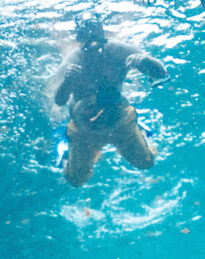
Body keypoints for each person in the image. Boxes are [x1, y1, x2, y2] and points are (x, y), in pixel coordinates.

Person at [53, 15, 165, 186]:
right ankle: (67, 151)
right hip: (84, 126)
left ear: (103, 37)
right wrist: (68, 82)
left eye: (97, 42)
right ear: (79, 41)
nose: (92, 48)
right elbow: (59, 101)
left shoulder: (119, 51)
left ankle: (140, 131)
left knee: (146, 161)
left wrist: (147, 62)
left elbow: (161, 74)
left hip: (119, 118)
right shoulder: (72, 62)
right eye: (87, 44)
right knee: (76, 180)